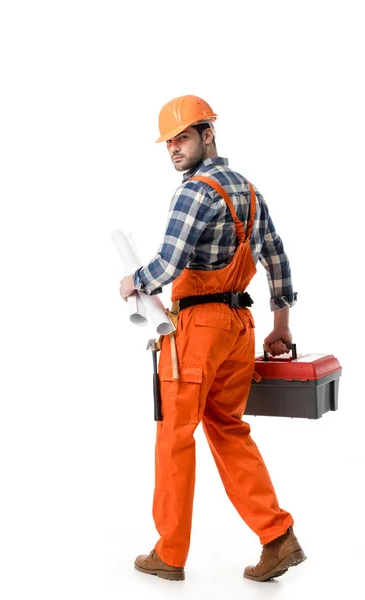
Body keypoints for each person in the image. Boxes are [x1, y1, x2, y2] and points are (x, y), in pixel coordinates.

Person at [119, 94, 306, 582]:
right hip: (240, 330)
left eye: (183, 137)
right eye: (169, 141)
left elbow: (168, 265)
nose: (175, 149)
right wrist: (281, 326)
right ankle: (277, 537)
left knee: (175, 437)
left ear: (208, 135)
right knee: (228, 428)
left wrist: (134, 281)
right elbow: (277, 260)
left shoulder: (192, 192)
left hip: (196, 333)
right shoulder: (247, 189)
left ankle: (170, 553)